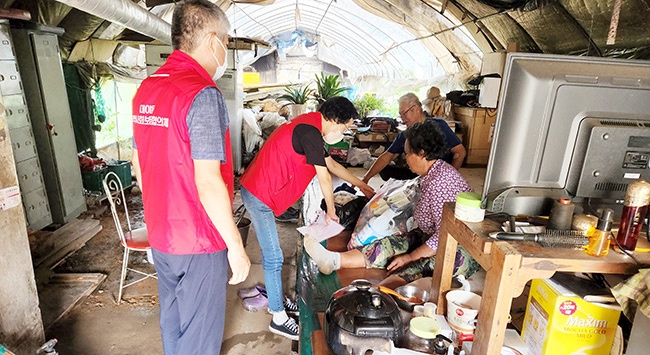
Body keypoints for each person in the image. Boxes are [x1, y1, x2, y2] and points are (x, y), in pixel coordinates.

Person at [130, 1, 250, 354]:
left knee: (173, 320)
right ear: (212, 40)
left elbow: (138, 166)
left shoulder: (147, 88)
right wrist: (236, 246)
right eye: (226, 42)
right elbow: (208, 181)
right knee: (199, 337)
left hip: (162, 234)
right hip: (199, 240)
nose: (224, 50)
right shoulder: (202, 93)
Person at [240, 96, 375, 340]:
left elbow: (331, 165)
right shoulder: (309, 132)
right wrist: (331, 212)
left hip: (262, 191)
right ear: (334, 119)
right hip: (259, 195)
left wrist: (361, 184)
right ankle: (278, 318)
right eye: (344, 127)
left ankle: (277, 302)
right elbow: (324, 177)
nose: (343, 132)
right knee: (273, 257)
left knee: (274, 255)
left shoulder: (310, 128)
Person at [305, 120, 478, 288]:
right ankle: (333, 261)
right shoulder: (432, 173)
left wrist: (411, 257)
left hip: (457, 248)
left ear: (422, 153)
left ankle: (378, 297)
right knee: (389, 244)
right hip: (430, 236)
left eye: (408, 153)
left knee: (411, 269)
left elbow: (444, 236)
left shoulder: (441, 182)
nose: (406, 158)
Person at [362, 93, 466, 182]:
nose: (402, 120)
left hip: (438, 175)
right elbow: (387, 156)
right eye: (400, 115)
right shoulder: (407, 132)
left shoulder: (439, 126)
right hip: (419, 175)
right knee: (386, 170)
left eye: (404, 114)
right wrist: (365, 179)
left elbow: (460, 152)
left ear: (415, 109)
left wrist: (448, 177)